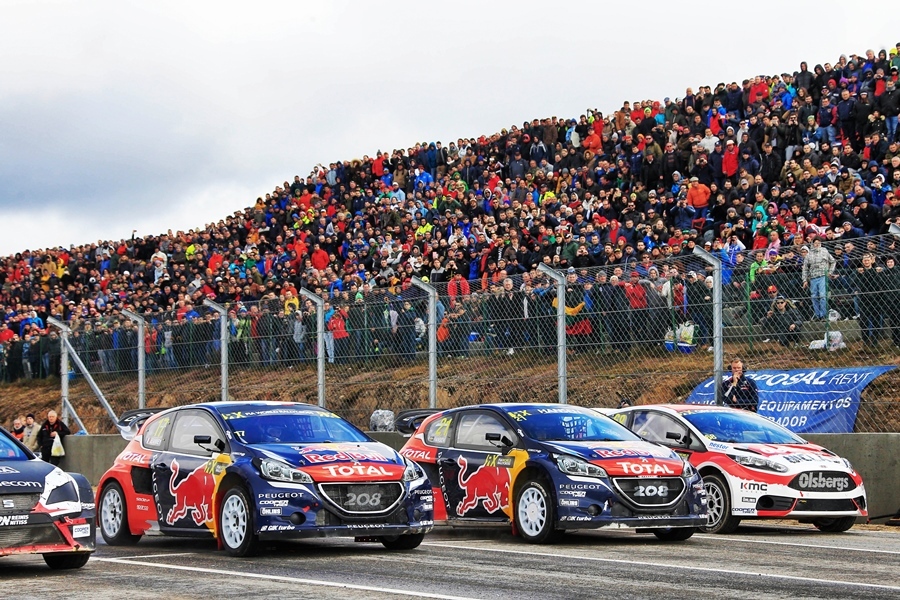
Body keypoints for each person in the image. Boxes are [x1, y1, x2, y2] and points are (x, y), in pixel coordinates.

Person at [801, 236, 836, 321]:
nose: (817, 244)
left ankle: (823, 314)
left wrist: (830, 272)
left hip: (823, 276)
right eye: (815, 243)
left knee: (823, 295)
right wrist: (804, 280)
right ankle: (817, 315)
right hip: (813, 278)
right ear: (813, 244)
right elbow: (805, 268)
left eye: (818, 242)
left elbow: (833, 261)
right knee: (814, 297)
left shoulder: (825, 251)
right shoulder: (809, 254)